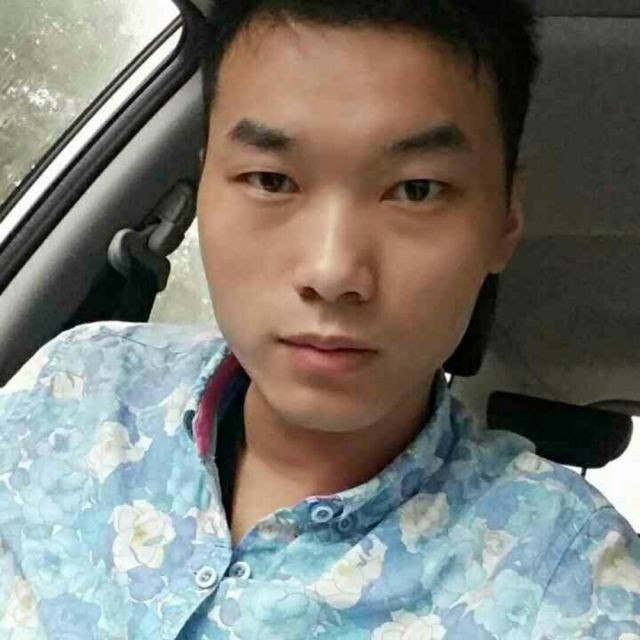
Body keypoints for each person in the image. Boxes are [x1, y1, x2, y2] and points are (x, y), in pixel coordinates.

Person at [1, 0, 639, 637]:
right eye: (270, 180)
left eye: (416, 190)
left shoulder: (573, 585)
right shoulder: (74, 388)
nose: (332, 273)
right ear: (204, 186)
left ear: (505, 220)